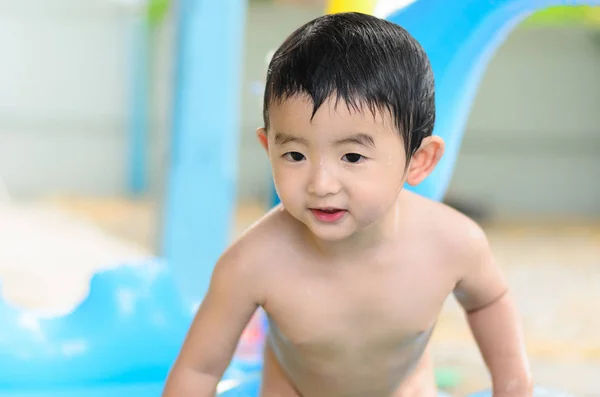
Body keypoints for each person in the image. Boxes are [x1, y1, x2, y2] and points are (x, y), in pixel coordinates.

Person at [162, 12, 533, 397]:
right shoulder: (252, 264)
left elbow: (489, 301)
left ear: (419, 160)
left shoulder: (453, 244)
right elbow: (199, 369)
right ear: (268, 148)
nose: (321, 184)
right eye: (294, 155)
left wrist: (513, 385)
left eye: (352, 157)